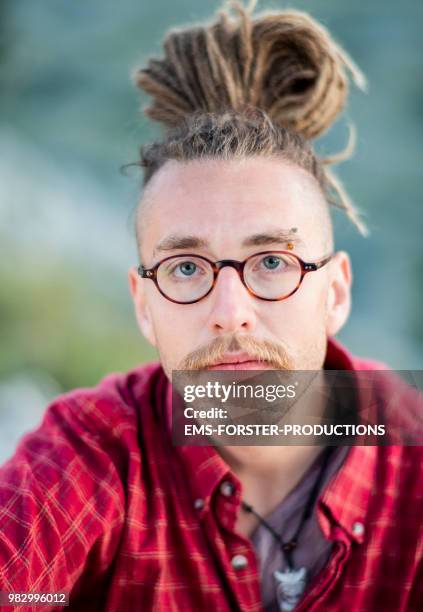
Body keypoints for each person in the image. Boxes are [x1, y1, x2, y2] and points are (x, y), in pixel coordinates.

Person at [0, 2, 422, 611]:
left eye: (272, 262)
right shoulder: (93, 451)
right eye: (187, 268)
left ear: (335, 294)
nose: (230, 311)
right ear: (144, 305)